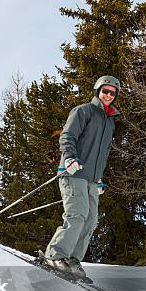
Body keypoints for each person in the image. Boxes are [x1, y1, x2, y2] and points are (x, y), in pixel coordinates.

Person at [44, 75, 121, 278]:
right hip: (74, 172)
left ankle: (72, 260)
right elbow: (67, 136)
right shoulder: (83, 111)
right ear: (98, 91)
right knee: (77, 214)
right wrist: (69, 158)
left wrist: (99, 179)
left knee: (90, 220)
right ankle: (55, 255)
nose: (108, 95)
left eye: (112, 93)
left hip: (92, 180)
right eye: (105, 91)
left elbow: (102, 154)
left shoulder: (110, 123)